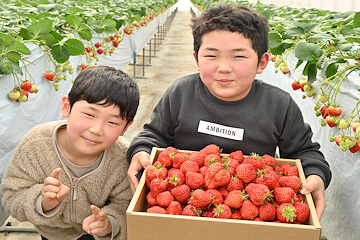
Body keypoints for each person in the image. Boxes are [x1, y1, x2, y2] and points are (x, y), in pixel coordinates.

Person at [126, 3, 331, 220]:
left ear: (262, 62)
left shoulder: (279, 105)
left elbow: (304, 152)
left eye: (239, 56)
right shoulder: (180, 93)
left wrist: (315, 175)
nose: (224, 67)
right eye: (212, 56)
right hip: (186, 209)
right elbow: (154, 135)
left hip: (249, 215)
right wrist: (141, 150)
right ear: (196, 59)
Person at [0, 65, 139, 240]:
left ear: (126, 127)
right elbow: (11, 197)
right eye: (89, 114)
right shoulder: (36, 145)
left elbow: (126, 204)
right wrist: (42, 202)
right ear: (67, 107)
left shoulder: (121, 158)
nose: (97, 129)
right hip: (51, 233)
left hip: (95, 235)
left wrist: (110, 223)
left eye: (112, 122)